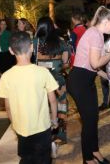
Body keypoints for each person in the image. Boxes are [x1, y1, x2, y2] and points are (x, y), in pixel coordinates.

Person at [67, 6, 110, 164]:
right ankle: (88, 159)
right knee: (89, 121)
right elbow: (95, 61)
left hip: (84, 79)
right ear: (105, 22)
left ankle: (95, 151)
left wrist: (102, 74)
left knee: (93, 119)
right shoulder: (96, 34)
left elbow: (87, 61)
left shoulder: (92, 31)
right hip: (80, 82)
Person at [0, 31, 58, 164]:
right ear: (31, 47)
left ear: (11, 51)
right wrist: (54, 119)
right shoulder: (43, 72)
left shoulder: (6, 76)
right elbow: (52, 100)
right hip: (42, 127)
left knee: (26, 158)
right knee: (44, 159)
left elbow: (7, 106)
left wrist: (14, 124)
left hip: (21, 128)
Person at [35, 16, 69, 145]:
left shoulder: (34, 42)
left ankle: (44, 136)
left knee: (43, 107)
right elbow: (66, 63)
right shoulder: (61, 42)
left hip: (40, 82)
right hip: (58, 82)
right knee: (61, 106)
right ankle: (60, 134)